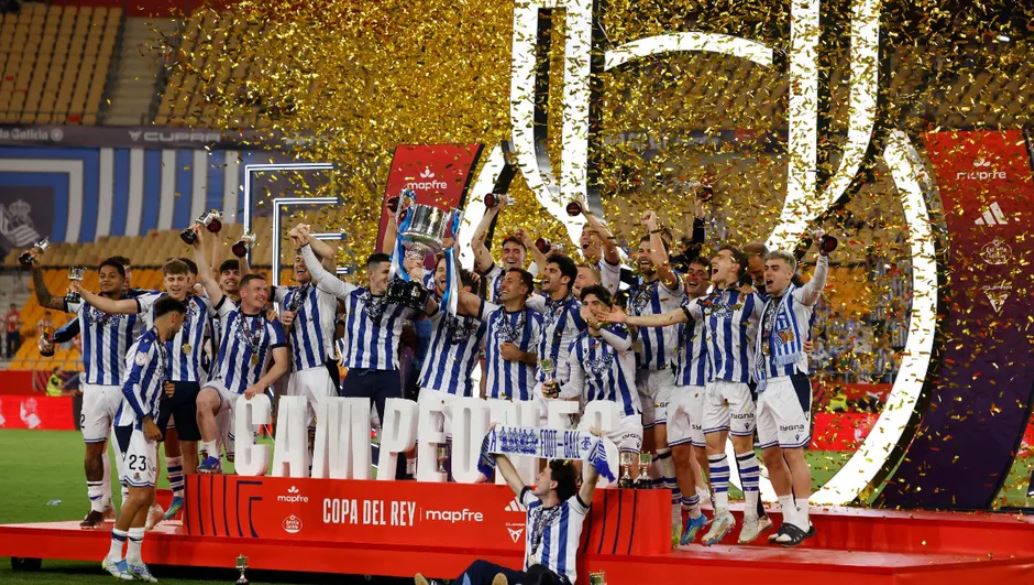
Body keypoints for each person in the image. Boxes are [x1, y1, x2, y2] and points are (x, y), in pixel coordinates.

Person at [75, 258, 213, 518]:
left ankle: (191, 505)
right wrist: (82, 292)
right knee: (152, 445)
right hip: (159, 386)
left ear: (189, 280)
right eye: (171, 279)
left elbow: (218, 288)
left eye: (180, 279)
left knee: (188, 447)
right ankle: (150, 506)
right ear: (164, 281)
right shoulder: (152, 301)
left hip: (190, 384)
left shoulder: (203, 303)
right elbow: (113, 306)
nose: (175, 284)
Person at [37, 254, 140, 528]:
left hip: (124, 389)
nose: (106, 279)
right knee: (93, 449)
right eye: (102, 275)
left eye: (113, 275)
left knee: (125, 449)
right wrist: (36, 269)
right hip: (93, 389)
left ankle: (130, 503)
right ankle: (98, 506)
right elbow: (46, 301)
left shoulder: (136, 306)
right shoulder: (85, 305)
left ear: (124, 278)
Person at [293, 225, 434, 424]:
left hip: (388, 374)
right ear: (371, 274)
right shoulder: (352, 295)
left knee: (394, 429)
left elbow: (424, 304)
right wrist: (306, 245)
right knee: (350, 430)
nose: (389, 277)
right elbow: (320, 275)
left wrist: (417, 279)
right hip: (357, 374)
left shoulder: (398, 302)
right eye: (385, 272)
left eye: (391, 273)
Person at [190, 226, 290, 473]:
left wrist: (261, 385)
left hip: (249, 394)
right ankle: (212, 457)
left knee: (243, 465)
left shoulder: (272, 323)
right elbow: (207, 278)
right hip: (223, 386)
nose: (263, 293)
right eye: (257, 290)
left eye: (265, 290)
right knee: (203, 400)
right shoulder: (228, 312)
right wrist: (198, 247)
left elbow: (281, 363)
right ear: (243, 293)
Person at [102, 296, 187, 582]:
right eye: (181, 320)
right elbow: (129, 385)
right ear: (173, 317)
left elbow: (147, 385)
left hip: (145, 430)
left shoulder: (160, 347)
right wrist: (148, 419)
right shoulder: (145, 345)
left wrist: (165, 389)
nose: (181, 326)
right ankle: (113, 556)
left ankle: (135, 559)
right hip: (134, 426)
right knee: (138, 494)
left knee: (147, 495)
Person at [416, 454, 599, 585]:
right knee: (480, 569)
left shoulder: (572, 509)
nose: (537, 477)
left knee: (538, 572)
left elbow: (590, 480)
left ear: (553, 484)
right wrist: (496, 446)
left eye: (543, 474)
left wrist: (596, 447)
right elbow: (510, 477)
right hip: (528, 579)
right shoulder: (533, 504)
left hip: (556, 581)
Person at [754, 247, 829, 546]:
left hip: (790, 382)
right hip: (765, 385)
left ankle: (802, 518)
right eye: (766, 268)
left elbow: (816, 286)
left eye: (774, 268)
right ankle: (789, 517)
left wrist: (823, 258)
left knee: (792, 453)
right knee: (770, 456)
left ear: (789, 274)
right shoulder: (767, 304)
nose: (767, 273)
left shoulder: (798, 299)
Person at [627, 211, 684, 534]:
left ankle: (675, 512)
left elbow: (663, 266)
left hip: (666, 375)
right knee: (647, 449)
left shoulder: (671, 285)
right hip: (640, 376)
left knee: (663, 445)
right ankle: (655, 510)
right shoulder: (634, 292)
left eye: (650, 249)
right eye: (640, 250)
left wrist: (652, 227)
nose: (644, 254)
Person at [567, 285, 643, 458]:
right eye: (585, 304)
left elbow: (623, 344)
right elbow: (575, 386)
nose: (590, 308)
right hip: (593, 417)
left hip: (626, 415)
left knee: (628, 466)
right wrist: (556, 390)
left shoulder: (622, 331)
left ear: (608, 309)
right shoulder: (577, 344)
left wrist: (598, 326)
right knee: (577, 463)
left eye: (595, 303)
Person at [278, 229, 341, 433]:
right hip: (296, 372)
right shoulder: (286, 296)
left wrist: (306, 238)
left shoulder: (325, 287)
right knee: (294, 437)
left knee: (331, 433)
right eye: (297, 260)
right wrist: (282, 323)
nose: (300, 264)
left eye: (305, 260)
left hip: (321, 368)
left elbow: (329, 254)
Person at [459, 268, 541, 401]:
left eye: (509, 281)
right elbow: (462, 297)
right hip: (493, 398)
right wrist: (454, 262)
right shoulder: (492, 313)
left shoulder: (536, 320)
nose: (503, 285)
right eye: (503, 281)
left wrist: (521, 355)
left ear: (523, 289)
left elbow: (549, 362)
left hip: (524, 400)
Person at [471, 196, 529, 302]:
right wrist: (492, 210)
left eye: (516, 251)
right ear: (502, 255)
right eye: (507, 251)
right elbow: (476, 244)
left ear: (525, 256)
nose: (511, 255)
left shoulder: (530, 280)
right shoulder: (496, 274)